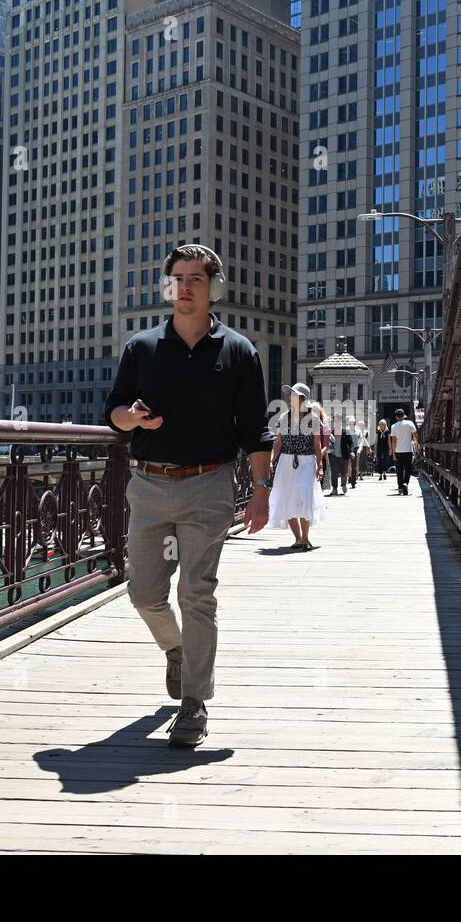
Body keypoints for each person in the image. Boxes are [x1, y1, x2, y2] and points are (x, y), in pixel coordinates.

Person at [106, 243, 273, 748]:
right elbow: (114, 412)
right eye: (177, 278)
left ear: (214, 287)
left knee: (197, 594)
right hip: (149, 485)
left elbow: (256, 430)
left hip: (210, 485)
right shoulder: (142, 347)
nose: (185, 287)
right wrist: (131, 419)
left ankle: (195, 703)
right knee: (143, 594)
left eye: (195, 279)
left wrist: (261, 491)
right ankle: (177, 652)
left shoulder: (239, 352)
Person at [268, 384, 327, 548]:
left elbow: (317, 445)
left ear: (302, 398)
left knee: (304, 496)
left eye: (293, 395)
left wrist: (319, 465)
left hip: (306, 461)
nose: (290, 398)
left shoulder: (313, 419)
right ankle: (297, 538)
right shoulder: (283, 418)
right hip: (286, 461)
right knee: (287, 498)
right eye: (290, 395)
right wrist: (271, 461)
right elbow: (278, 444)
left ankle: (306, 538)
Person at [389, 408, 419, 495]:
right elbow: (415, 435)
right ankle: (406, 483)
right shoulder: (410, 423)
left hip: (398, 451)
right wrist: (417, 446)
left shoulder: (393, 426)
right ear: (404, 415)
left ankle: (400, 487)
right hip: (408, 450)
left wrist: (394, 454)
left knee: (399, 470)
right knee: (408, 468)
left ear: (396, 417)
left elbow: (393, 441)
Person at [327, 411, 354, 495]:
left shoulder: (345, 431)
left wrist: (352, 452)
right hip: (333, 456)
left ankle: (344, 484)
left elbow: (351, 443)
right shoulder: (331, 432)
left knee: (344, 472)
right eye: (335, 421)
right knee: (334, 473)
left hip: (344, 455)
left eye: (338, 421)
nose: (337, 422)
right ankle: (334, 488)